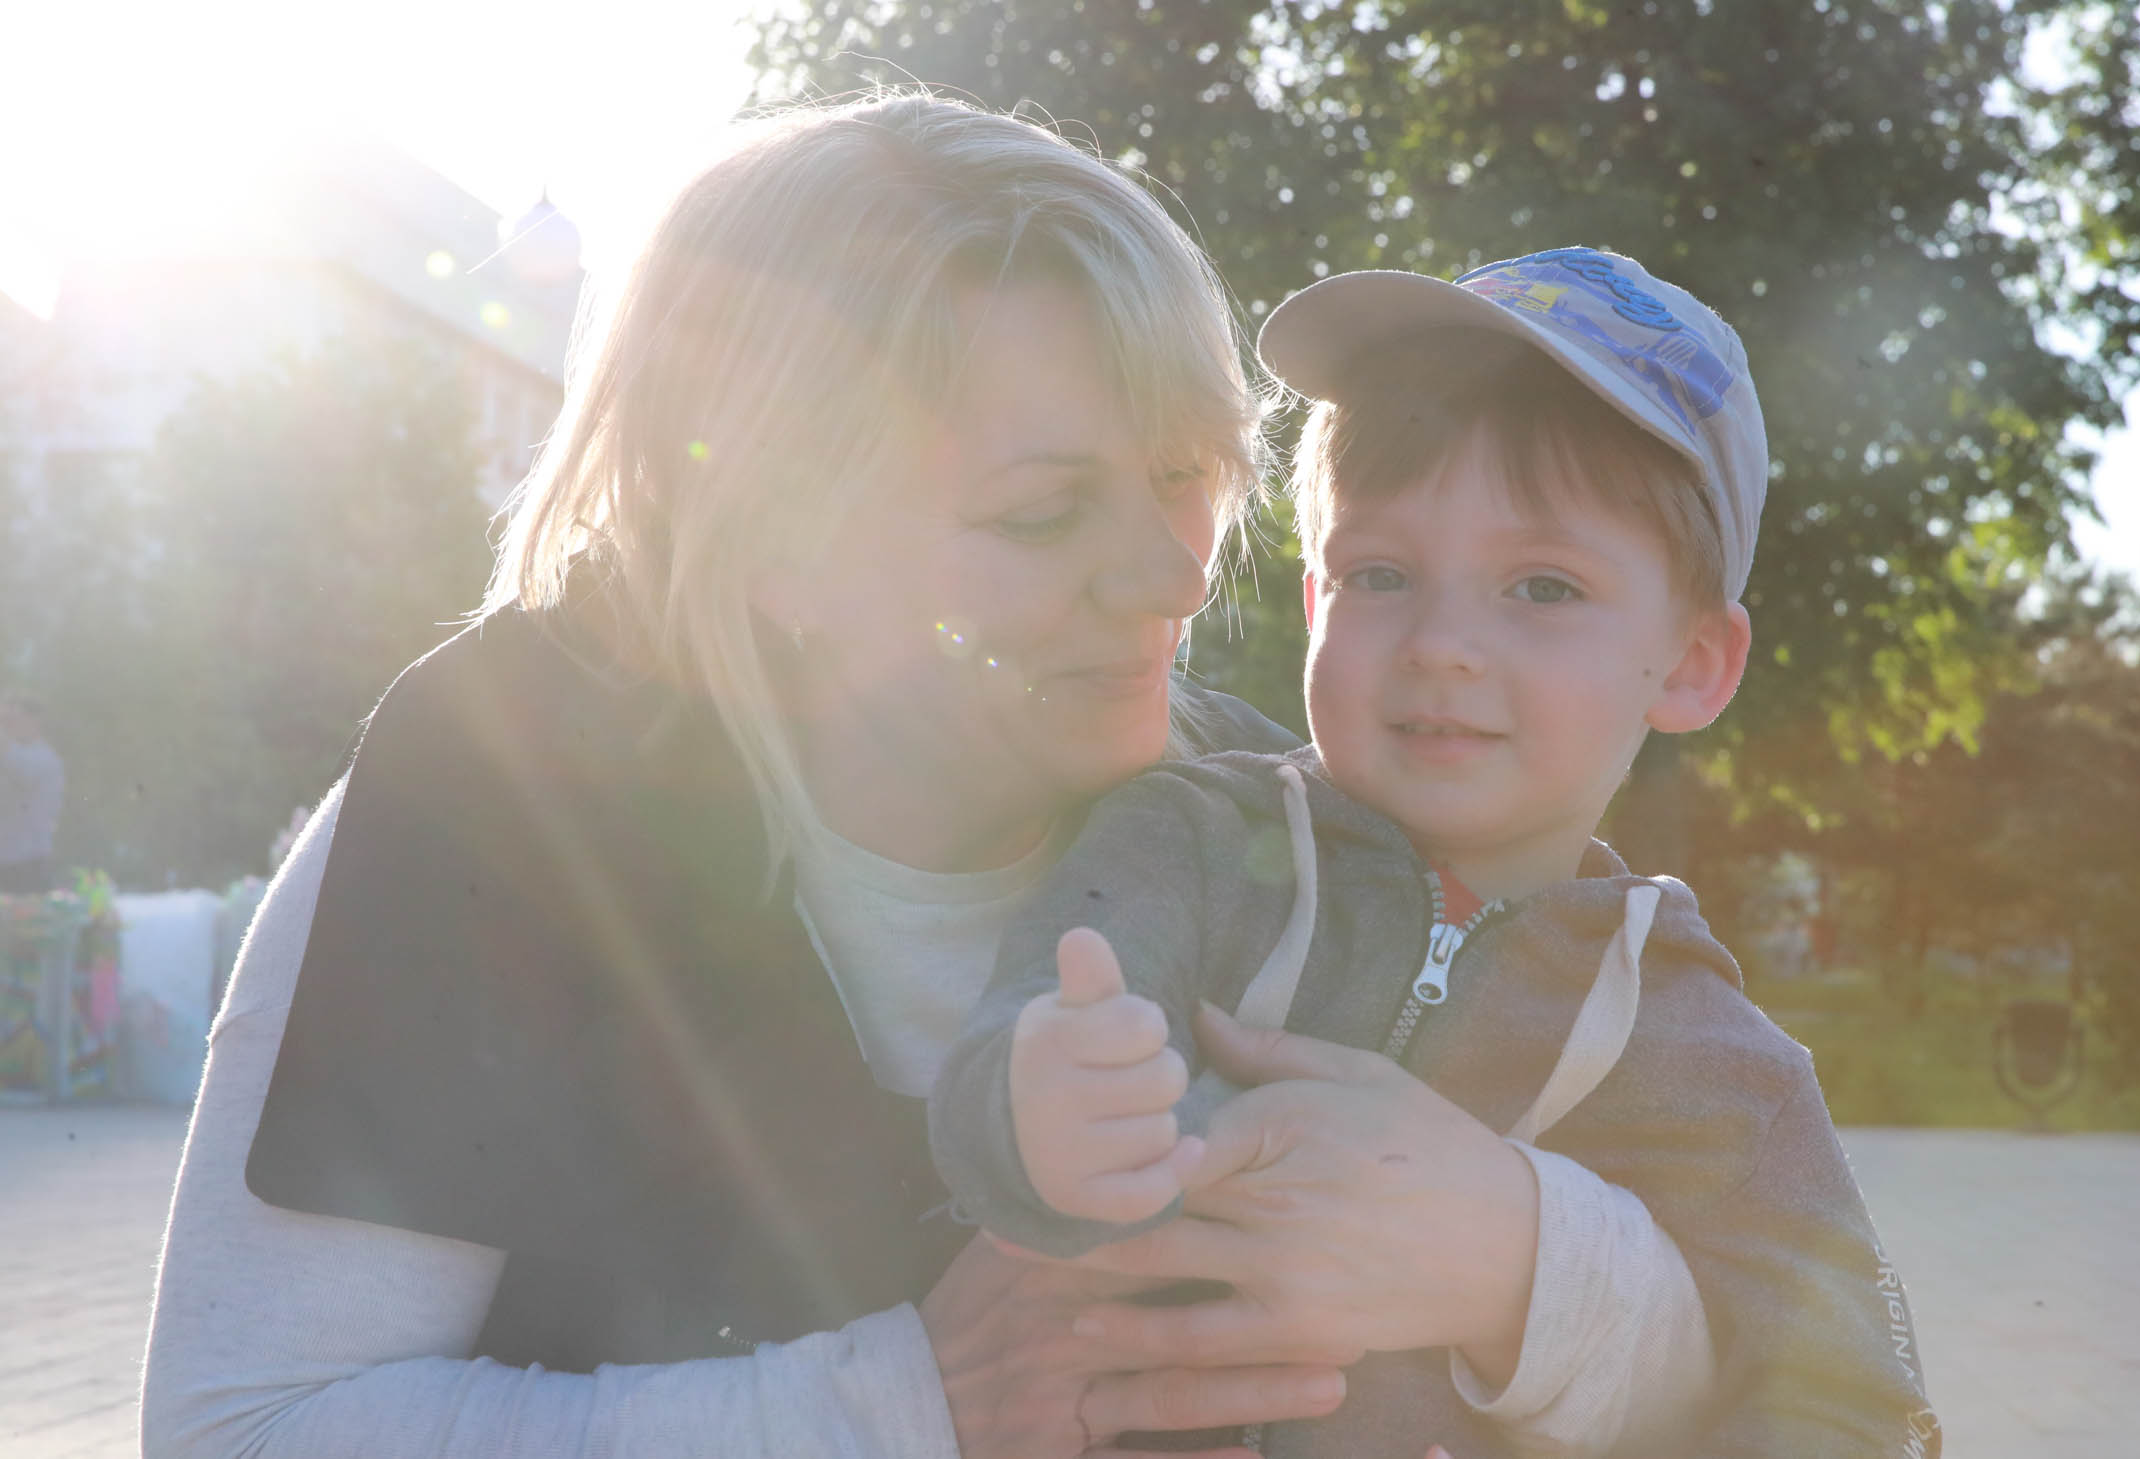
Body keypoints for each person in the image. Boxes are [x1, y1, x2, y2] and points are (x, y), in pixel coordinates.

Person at [140, 101, 1720, 1459]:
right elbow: (246, 1426)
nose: (1173, 577)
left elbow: (1761, 1357)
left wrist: (1527, 1255)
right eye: (1042, 513)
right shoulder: (502, 797)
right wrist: (905, 1401)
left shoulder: (1284, 828)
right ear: (775, 544)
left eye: (1184, 476)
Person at [930, 248, 1944, 1458]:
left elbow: (1861, 1403)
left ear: (1689, 664)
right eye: (1382, 573)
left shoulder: (1715, 1061)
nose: (1441, 642)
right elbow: (1017, 1038)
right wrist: (1037, 1109)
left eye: (1542, 588)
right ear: (1316, 603)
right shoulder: (1186, 839)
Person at [0, 694, 64, 896]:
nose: (9, 725)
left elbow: (20, 767)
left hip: (27, 865)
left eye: (13, 719)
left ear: (35, 720)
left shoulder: (44, 759)